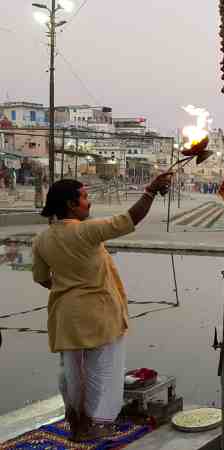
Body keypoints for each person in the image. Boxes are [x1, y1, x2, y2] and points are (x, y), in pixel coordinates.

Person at [32, 173, 172, 441]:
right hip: (98, 313)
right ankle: (98, 424)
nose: (89, 202)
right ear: (71, 205)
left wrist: (69, 290)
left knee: (73, 372)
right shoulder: (86, 231)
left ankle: (77, 422)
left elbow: (41, 278)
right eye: (84, 197)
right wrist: (151, 191)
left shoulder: (42, 239)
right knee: (103, 369)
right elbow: (129, 219)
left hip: (66, 315)